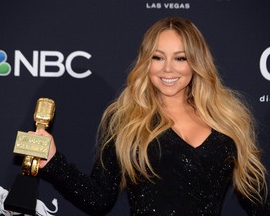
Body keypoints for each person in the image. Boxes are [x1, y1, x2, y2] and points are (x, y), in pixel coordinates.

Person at [35, 17, 270, 215]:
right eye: (158, 57)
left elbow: (257, 200)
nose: (168, 68)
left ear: (196, 62)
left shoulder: (228, 119)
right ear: (146, 62)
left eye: (180, 58)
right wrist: (53, 161)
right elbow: (98, 198)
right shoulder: (127, 121)